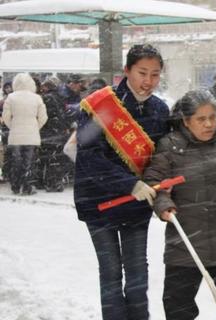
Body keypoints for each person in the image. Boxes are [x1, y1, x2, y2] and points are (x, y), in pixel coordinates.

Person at [143, 89, 216, 320]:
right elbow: (154, 182)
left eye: (212, 117)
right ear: (186, 121)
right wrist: (164, 204)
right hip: (186, 239)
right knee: (178, 304)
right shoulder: (170, 147)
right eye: (201, 119)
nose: (209, 124)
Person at [74, 44, 170, 320]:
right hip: (98, 203)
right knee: (111, 271)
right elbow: (90, 158)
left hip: (136, 207)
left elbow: (162, 158)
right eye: (142, 73)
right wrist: (129, 184)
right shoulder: (100, 105)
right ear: (126, 71)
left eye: (155, 75)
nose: (148, 81)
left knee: (138, 273)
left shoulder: (160, 110)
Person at [2, 73, 47, 195]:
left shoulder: (11, 97)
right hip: (32, 135)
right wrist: (35, 127)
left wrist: (13, 126)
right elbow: (44, 117)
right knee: (29, 162)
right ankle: (27, 187)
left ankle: (15, 186)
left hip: (15, 135)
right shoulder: (37, 98)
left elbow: (5, 116)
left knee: (16, 162)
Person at [38, 79, 71, 192]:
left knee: (47, 159)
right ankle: (56, 182)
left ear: (47, 87)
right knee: (56, 158)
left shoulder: (46, 98)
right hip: (59, 132)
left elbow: (45, 116)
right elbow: (64, 114)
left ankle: (48, 183)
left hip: (48, 133)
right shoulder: (60, 98)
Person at [0, 81, 13, 183]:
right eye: (6, 87)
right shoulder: (4, 99)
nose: (8, 89)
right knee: (6, 152)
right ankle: (6, 173)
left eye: (10, 87)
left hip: (12, 128)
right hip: (6, 128)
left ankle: (10, 173)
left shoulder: (13, 99)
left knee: (11, 152)